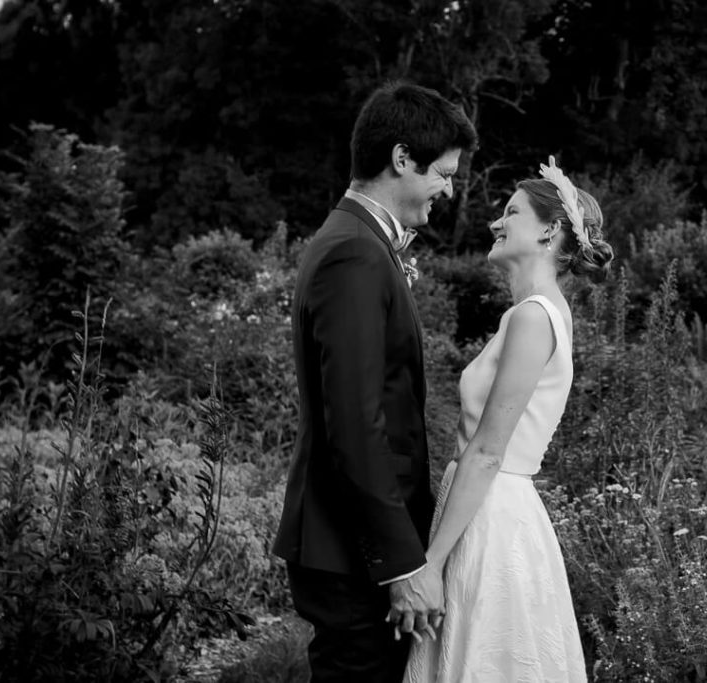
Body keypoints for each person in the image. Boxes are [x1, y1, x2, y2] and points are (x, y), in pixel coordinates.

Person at [272, 82, 477, 683]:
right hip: (355, 555)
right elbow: (356, 423)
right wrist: (399, 563)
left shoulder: (356, 241)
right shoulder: (355, 254)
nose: (448, 188)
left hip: (352, 547)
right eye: (442, 172)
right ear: (402, 159)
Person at [404, 157, 615, 682]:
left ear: (549, 231)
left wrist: (429, 564)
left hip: (491, 515)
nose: (497, 222)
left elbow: (488, 450)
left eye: (512, 211)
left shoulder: (533, 316)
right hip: (487, 508)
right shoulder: (542, 312)